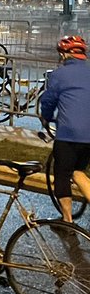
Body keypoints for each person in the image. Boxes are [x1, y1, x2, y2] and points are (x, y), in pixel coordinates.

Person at [38, 35, 90, 223]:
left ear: (64, 55)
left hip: (69, 133)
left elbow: (48, 101)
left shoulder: (59, 75)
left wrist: (45, 118)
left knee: (62, 174)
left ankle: (67, 220)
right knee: (78, 172)